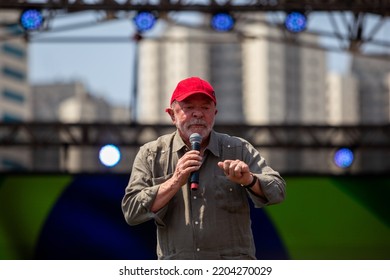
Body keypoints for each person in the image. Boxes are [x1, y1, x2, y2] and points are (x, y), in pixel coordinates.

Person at [121, 76, 286, 260]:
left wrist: (249, 180)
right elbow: (131, 211)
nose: (198, 114)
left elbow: (278, 190)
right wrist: (175, 181)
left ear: (215, 113)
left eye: (205, 108)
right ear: (172, 115)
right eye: (189, 107)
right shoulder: (152, 154)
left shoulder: (238, 148)